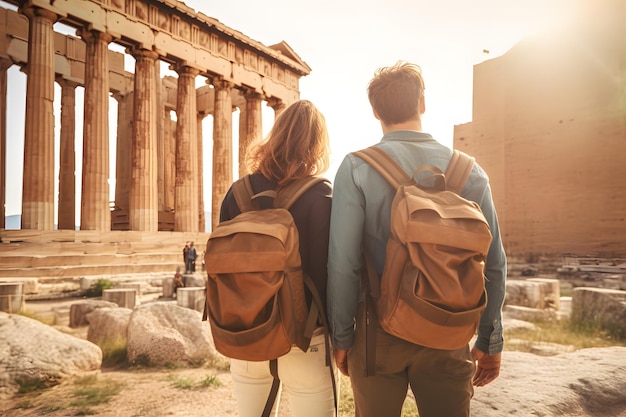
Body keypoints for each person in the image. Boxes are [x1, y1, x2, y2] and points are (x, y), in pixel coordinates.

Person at [326, 61, 507, 417]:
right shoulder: (470, 171)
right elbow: (495, 263)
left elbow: (343, 264)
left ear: (375, 111)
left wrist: (343, 338)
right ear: (422, 103)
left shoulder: (356, 168)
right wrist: (490, 338)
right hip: (450, 330)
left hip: (377, 334)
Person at [218, 99, 335, 417]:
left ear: (276, 135)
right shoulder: (321, 196)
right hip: (305, 335)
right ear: (316, 145)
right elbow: (329, 274)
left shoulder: (236, 193)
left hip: (246, 330)